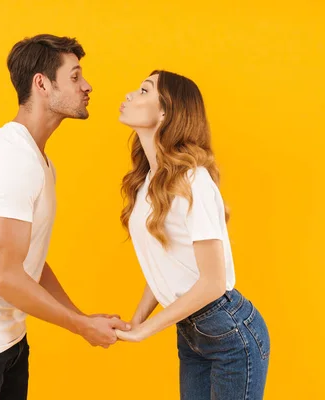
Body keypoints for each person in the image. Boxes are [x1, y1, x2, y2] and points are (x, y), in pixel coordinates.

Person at [0, 34, 130, 400]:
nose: (87, 86)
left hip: (9, 342)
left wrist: (83, 317)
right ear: (41, 83)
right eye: (74, 76)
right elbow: (4, 278)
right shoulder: (12, 159)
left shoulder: (39, 161)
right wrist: (81, 327)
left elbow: (27, 262)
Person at [115, 70, 270, 399]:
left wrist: (145, 331)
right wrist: (135, 321)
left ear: (165, 112)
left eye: (143, 90)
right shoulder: (148, 183)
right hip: (190, 331)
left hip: (230, 335)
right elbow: (166, 264)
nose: (129, 94)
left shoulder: (193, 181)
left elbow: (212, 284)